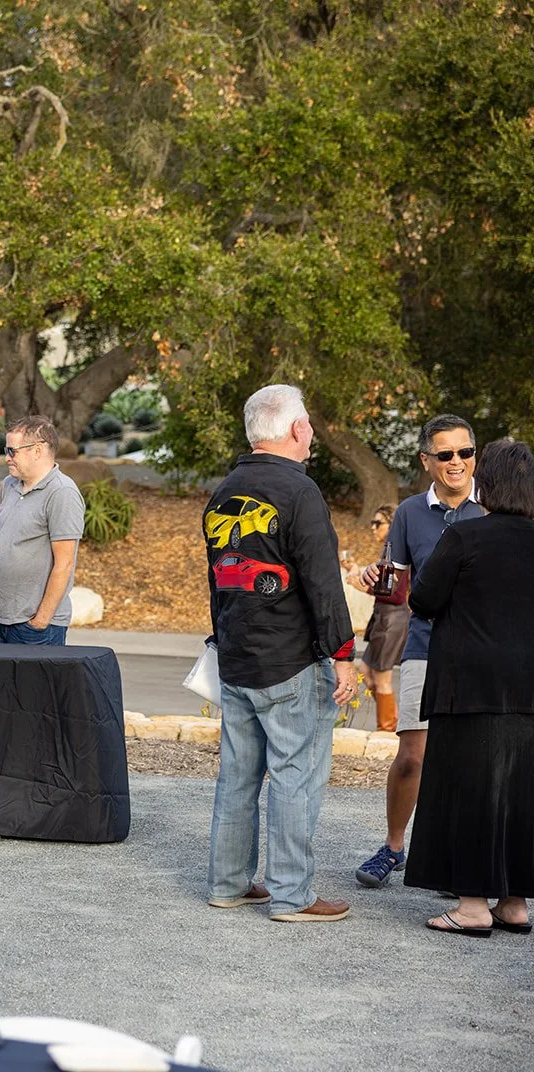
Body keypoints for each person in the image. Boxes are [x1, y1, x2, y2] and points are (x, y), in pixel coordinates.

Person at [204, 384, 357, 923]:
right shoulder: (299, 491)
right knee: (295, 774)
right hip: (289, 659)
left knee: (239, 772)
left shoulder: (225, 489)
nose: (311, 431)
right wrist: (343, 652)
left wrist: (219, 638)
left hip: (237, 655)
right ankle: (293, 895)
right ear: (296, 430)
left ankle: (227, 883)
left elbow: (217, 579)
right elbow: (323, 582)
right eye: (309, 423)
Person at [404, 438, 534, 936]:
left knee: (470, 791)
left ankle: (474, 906)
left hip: (469, 684)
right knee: (522, 793)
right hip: (528, 689)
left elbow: (424, 599)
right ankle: (516, 902)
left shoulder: (465, 538)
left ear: (489, 484)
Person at [351, 414, 483, 889]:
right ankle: (392, 847)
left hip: (479, 653)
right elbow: (393, 577)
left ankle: (457, 859)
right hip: (425, 647)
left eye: (465, 452)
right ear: (427, 460)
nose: (457, 463)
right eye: (445, 454)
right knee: (412, 756)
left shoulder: (495, 509)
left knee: (470, 761)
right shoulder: (408, 512)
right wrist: (374, 574)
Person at [0, 416, 84, 645]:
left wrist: (40, 621)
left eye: (12, 451)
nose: (7, 458)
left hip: (36, 627)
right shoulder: (9, 485)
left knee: (35, 684)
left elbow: (65, 564)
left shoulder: (62, 493)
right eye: (5, 450)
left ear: (37, 450)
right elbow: (7, 544)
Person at [351, 504, 406, 732]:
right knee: (365, 672)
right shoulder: (387, 550)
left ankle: (388, 729)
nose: (373, 528)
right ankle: (392, 722)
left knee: (382, 679)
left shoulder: (398, 551)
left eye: (378, 523)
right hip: (382, 618)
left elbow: (396, 594)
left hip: (391, 619)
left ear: (391, 525)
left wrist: (364, 589)